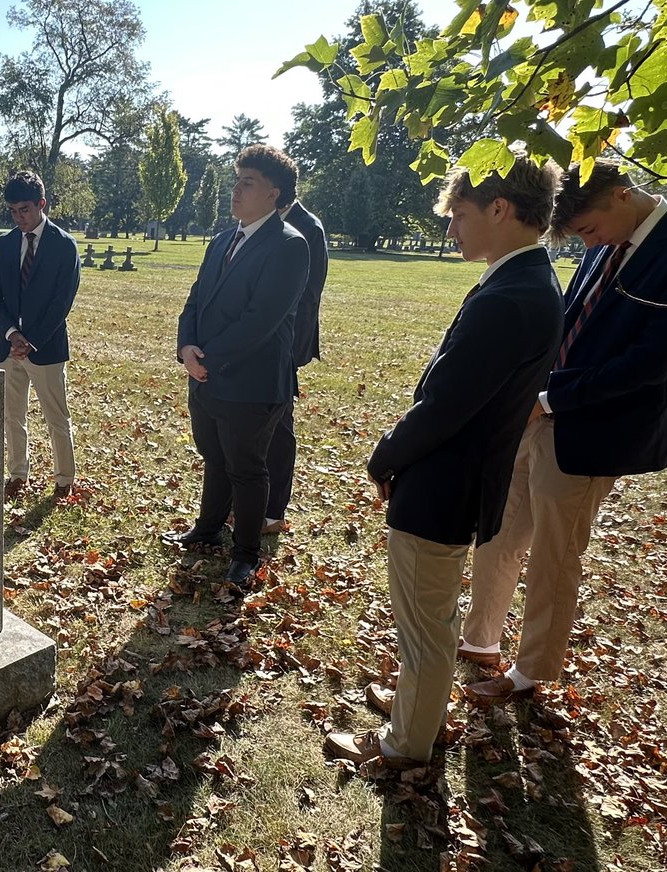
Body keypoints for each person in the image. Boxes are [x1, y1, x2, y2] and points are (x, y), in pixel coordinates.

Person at [323, 154, 564, 768]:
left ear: (500, 209)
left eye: (458, 214)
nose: (450, 229)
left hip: (443, 482)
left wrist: (383, 458)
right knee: (426, 616)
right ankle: (415, 701)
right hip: (458, 476)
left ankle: (408, 744)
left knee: (427, 625)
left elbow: (444, 406)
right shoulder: (525, 280)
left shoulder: (510, 297)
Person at [461, 160, 667, 704]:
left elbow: (651, 363)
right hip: (537, 410)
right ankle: (479, 639)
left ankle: (531, 672)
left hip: (594, 429)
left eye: (588, 230)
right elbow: (573, 313)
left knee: (554, 553)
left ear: (623, 196)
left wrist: (553, 397)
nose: (588, 242)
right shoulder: (606, 239)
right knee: (500, 528)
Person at [165, 146, 309, 586]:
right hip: (205, 374)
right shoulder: (223, 240)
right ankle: (208, 528)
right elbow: (195, 299)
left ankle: (246, 552)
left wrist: (209, 359)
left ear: (273, 194)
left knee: (246, 468)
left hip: (252, 383)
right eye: (236, 180)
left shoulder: (289, 246)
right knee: (214, 456)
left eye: (248, 182)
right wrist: (186, 346)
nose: (236, 190)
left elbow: (260, 322)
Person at [0, 171, 80, 501]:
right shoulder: (5, 243)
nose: (18, 217)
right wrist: (12, 334)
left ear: (42, 204)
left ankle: (65, 479)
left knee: (57, 417)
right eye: (12, 210)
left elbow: (61, 302)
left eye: (24, 209)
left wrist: (31, 340)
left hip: (47, 347)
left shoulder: (64, 246)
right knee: (13, 416)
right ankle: (17, 473)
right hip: (8, 347)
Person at [262, 176, 328, 533]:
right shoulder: (260, 223)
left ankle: (274, 512)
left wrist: (290, 350)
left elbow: (309, 295)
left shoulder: (307, 227)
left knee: (279, 427)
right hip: (258, 344)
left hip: (284, 345)